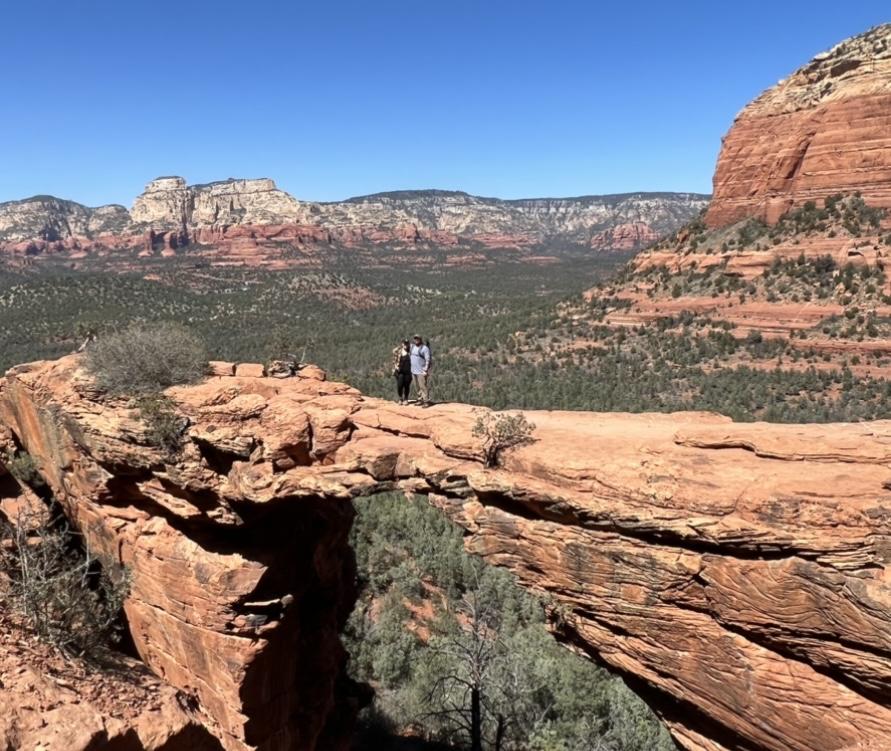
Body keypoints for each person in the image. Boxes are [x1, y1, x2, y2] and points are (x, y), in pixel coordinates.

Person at [410, 334, 431, 405]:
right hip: (413, 371)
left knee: (423, 386)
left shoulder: (424, 348)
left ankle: (426, 401)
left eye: (417, 338)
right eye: (415, 338)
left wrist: (425, 370)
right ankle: (420, 399)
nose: (416, 340)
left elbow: (428, 360)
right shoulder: (412, 347)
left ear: (420, 339)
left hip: (421, 371)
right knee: (416, 386)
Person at [392, 339, 412, 405]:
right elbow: (393, 354)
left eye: (407, 343)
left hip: (408, 372)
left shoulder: (410, 351)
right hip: (400, 372)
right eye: (404, 343)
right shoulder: (398, 351)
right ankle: (400, 398)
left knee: (407, 386)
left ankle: (406, 398)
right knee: (400, 385)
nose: (406, 345)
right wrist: (395, 366)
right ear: (402, 344)